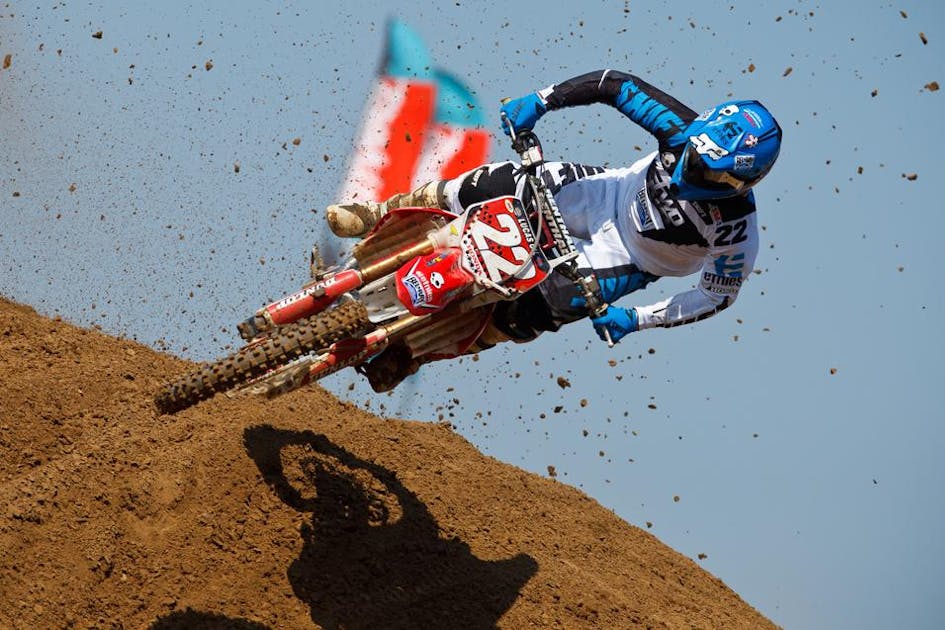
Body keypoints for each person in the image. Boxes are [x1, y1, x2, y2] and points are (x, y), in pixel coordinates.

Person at [327, 69, 782, 392]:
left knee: (527, 314)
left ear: (744, 183)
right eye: (698, 158)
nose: (695, 173)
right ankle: (378, 211)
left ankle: (412, 355)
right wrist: (541, 101)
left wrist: (638, 319)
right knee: (497, 183)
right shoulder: (678, 127)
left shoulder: (736, 234)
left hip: (628, 259)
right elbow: (614, 84)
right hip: (605, 195)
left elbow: (715, 296)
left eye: (715, 175)